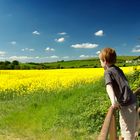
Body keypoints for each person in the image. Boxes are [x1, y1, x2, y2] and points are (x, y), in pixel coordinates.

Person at [99, 47, 137, 140]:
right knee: (132, 127)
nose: (100, 63)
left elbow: (108, 86)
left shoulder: (108, 71)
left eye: (100, 61)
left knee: (127, 130)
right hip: (133, 101)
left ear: (104, 61)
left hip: (126, 104)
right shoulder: (117, 69)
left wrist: (113, 101)